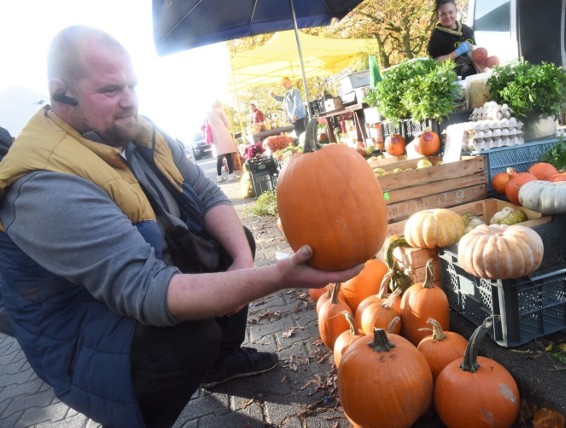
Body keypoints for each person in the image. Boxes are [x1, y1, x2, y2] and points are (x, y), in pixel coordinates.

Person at [0, 25, 362, 428]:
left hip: (141, 274)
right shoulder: (44, 184)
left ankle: (219, 363)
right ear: (61, 93)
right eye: (109, 91)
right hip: (77, 330)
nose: (129, 103)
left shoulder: (139, 132)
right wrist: (275, 278)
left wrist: (243, 262)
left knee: (233, 239)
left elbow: (208, 195)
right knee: (187, 341)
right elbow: (145, 289)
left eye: (132, 86)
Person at [427, 0, 477, 78]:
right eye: (443, 14)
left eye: (451, 12)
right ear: (438, 16)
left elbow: (477, 54)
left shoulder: (467, 30)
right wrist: (457, 52)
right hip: (452, 82)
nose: (447, 16)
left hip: (474, 78)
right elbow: (435, 62)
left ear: (456, 11)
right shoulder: (436, 35)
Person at [205, 100, 239, 181]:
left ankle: (219, 177)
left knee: (219, 157)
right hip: (223, 134)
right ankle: (231, 175)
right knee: (228, 157)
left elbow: (206, 125)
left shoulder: (207, 113)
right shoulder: (220, 111)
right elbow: (227, 123)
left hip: (214, 137)